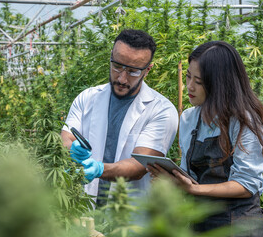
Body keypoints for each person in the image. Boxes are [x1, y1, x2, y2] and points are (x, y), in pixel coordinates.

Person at [147, 41, 263, 236]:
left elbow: (246, 184)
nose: (189, 86)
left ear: (219, 84)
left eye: (198, 82)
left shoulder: (243, 122)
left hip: (240, 226)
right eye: (188, 77)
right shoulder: (189, 118)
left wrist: (194, 190)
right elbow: (192, 178)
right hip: (200, 222)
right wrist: (173, 181)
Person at [61, 29, 178, 206]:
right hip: (84, 207)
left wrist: (98, 169)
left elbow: (139, 166)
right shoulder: (87, 98)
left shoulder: (161, 110)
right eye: (117, 66)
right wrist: (71, 149)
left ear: (147, 70)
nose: (122, 78)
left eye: (132, 71)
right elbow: (66, 137)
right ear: (111, 57)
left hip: (129, 215)